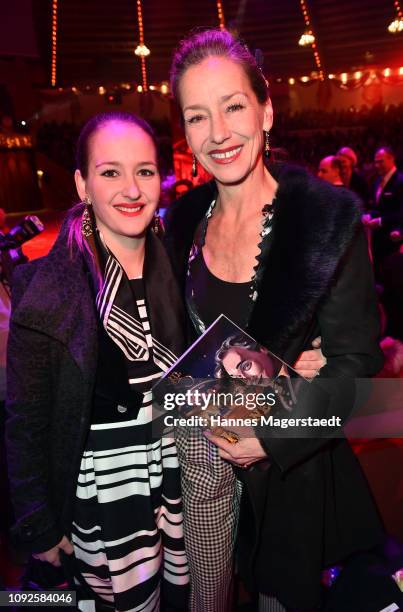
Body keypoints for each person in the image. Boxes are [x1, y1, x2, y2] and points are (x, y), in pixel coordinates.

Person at [165, 28, 384, 611]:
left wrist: (271, 433)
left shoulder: (325, 224)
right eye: (196, 116)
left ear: (265, 112)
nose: (217, 133)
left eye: (233, 106)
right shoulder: (181, 224)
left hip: (292, 482)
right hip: (201, 483)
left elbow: (360, 375)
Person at [6, 112, 189, 611]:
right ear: (82, 184)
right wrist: (41, 527)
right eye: (110, 172)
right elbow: (24, 425)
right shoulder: (47, 290)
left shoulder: (183, 262)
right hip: (108, 495)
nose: (131, 188)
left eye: (145, 171)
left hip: (178, 477)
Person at [362, 147, 403, 272]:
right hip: (379, 239)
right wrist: (369, 215)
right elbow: (378, 207)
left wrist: (381, 221)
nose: (377, 165)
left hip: (394, 239)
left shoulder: (401, 181)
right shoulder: (377, 181)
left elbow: (401, 212)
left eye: (381, 161)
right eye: (375, 162)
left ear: (391, 159)